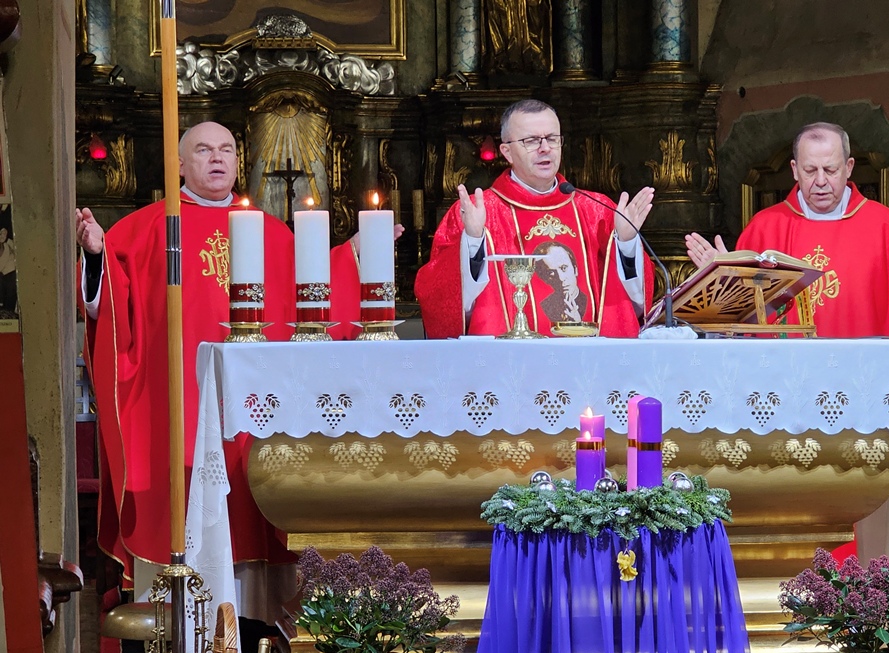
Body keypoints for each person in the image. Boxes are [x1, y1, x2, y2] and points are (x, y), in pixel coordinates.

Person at [75, 122, 363, 608]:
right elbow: (110, 311)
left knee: (253, 494)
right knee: (183, 499)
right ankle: (177, 621)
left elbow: (314, 303)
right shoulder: (147, 229)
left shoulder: (273, 232)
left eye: (226, 150)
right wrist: (97, 257)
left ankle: (255, 626)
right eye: (204, 150)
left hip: (253, 411)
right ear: (179, 164)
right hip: (179, 403)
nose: (217, 158)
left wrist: (353, 256)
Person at [684, 122, 889, 337]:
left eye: (830, 170)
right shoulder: (764, 228)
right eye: (810, 170)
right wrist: (722, 281)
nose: (820, 181)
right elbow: (740, 325)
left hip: (862, 375)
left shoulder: (886, 228)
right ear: (794, 170)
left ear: (849, 167)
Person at [415, 99, 655, 338]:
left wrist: (626, 244)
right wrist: (473, 242)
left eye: (552, 138)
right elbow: (441, 304)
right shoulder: (477, 212)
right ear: (507, 152)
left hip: (588, 356)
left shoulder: (597, 210)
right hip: (507, 358)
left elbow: (636, 306)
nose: (545, 148)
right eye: (531, 141)